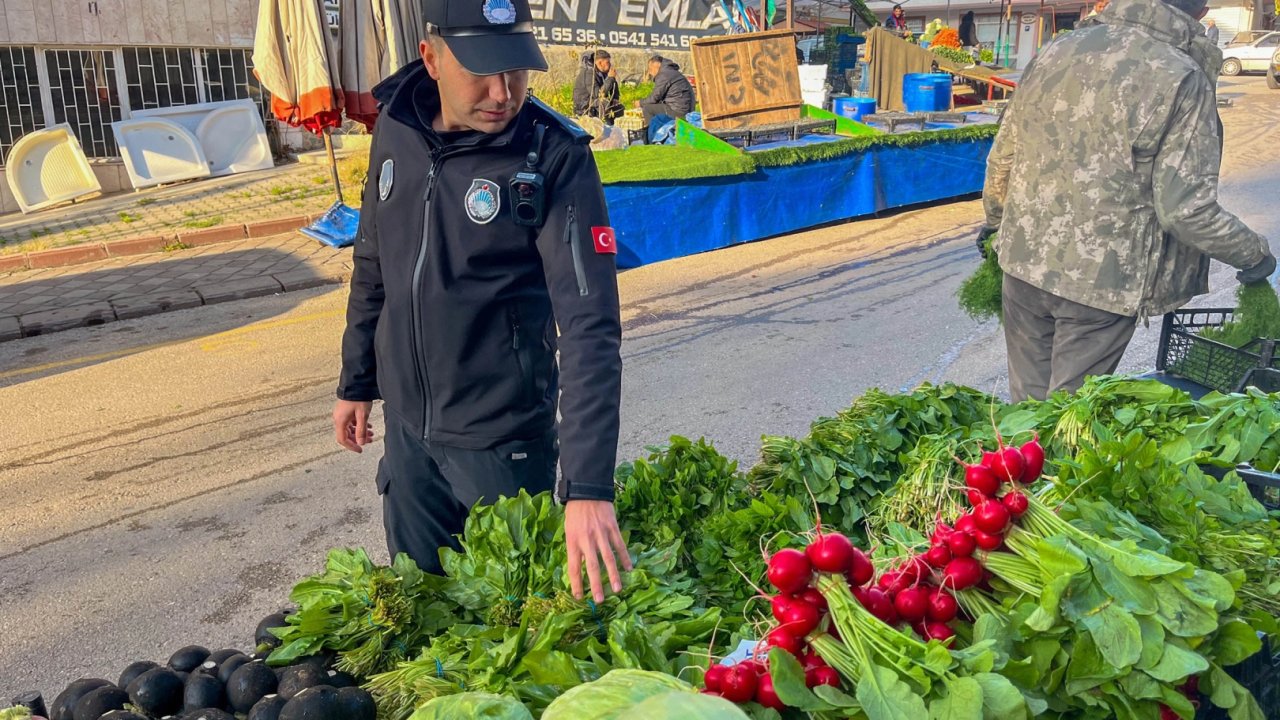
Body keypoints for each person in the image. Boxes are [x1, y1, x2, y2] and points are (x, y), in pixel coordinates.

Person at [333, 0, 631, 604]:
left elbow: (589, 325)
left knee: (514, 625)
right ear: (431, 59)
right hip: (409, 438)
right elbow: (374, 261)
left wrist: (587, 486)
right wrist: (356, 380)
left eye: (516, 70)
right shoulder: (396, 126)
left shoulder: (555, 156)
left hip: (504, 447)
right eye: (482, 71)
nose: (503, 93)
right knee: (420, 612)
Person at [978, 0, 1275, 403]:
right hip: (1100, 284)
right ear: (1201, 13)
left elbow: (1003, 157)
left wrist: (995, 222)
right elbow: (1186, 210)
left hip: (1022, 265)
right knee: (1067, 417)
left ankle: (1020, 448)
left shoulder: (1057, 49)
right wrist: (1253, 255)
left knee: (1027, 409)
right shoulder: (1180, 75)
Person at [636, 55, 695, 125]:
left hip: (678, 111)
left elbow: (654, 98)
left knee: (647, 109)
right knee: (656, 106)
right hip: (685, 109)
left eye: (650, 69)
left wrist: (640, 103)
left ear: (656, 65)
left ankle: (653, 131)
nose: (650, 73)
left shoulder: (664, 75)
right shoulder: (671, 72)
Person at [572, 49, 623, 124]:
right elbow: (598, 94)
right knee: (604, 104)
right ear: (600, 63)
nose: (610, 64)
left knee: (619, 107)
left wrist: (615, 97)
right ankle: (606, 126)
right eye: (607, 62)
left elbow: (613, 84)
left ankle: (617, 127)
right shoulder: (589, 73)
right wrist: (610, 78)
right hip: (584, 104)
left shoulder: (602, 71)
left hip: (595, 100)